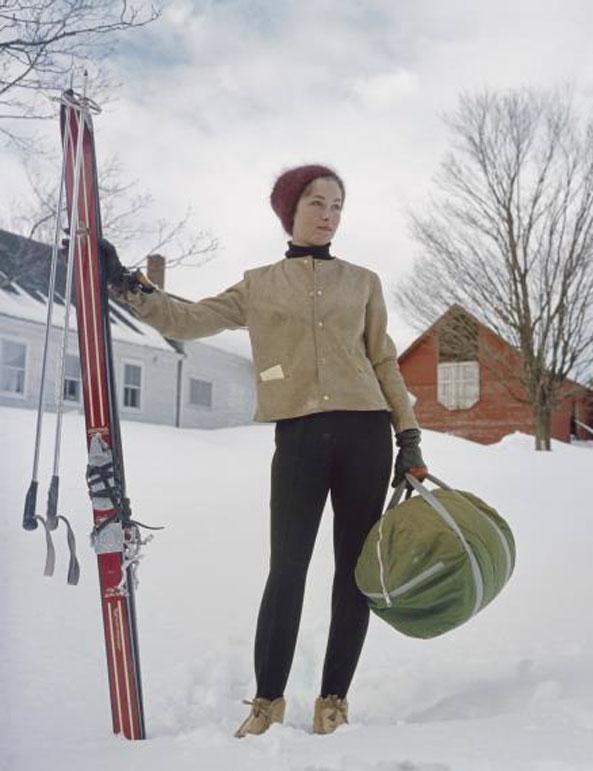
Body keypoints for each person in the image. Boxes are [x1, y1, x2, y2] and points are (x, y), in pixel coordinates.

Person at [100, 163, 428, 737]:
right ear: (290, 211)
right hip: (299, 436)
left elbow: (383, 360)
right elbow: (190, 317)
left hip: (365, 436)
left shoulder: (364, 281)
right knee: (287, 569)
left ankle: (333, 701)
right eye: (317, 204)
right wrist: (130, 288)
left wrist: (408, 435)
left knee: (353, 573)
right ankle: (267, 702)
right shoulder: (258, 284)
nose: (329, 216)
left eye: (337, 206)